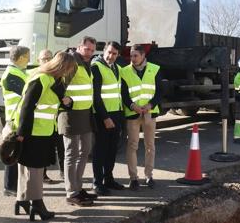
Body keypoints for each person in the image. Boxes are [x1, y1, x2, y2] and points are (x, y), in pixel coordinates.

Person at [13, 51, 76, 221]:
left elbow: (60, 102)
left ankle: (22, 200)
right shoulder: (41, 79)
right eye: (68, 69)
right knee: (35, 170)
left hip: (44, 130)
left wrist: (68, 102)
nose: (68, 73)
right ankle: (37, 204)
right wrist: (21, 134)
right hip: (33, 132)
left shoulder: (55, 81)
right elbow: (27, 107)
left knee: (27, 167)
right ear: (61, 66)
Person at [58, 36, 98, 207]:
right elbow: (57, 83)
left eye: (92, 50)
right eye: (86, 49)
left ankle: (78, 187)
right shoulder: (71, 61)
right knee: (71, 154)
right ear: (79, 47)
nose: (89, 52)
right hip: (71, 116)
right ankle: (71, 193)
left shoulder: (88, 63)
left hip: (85, 114)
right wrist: (64, 99)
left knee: (85, 151)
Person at [121, 44, 162, 191]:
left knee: (150, 146)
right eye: (131, 55)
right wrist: (133, 106)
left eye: (135, 55)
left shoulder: (155, 69)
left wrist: (150, 105)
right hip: (133, 114)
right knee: (132, 146)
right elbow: (124, 94)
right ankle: (133, 178)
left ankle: (149, 175)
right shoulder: (124, 71)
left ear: (143, 55)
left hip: (149, 113)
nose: (132, 58)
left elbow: (159, 92)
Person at [91, 41, 125, 195]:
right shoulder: (96, 67)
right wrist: (105, 117)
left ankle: (108, 179)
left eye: (114, 54)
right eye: (109, 52)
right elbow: (96, 96)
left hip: (116, 113)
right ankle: (97, 183)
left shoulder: (117, 68)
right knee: (100, 150)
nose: (110, 56)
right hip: (103, 115)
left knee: (112, 149)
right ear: (103, 51)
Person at [0, 45, 30, 197]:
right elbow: (27, 92)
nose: (30, 58)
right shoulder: (12, 74)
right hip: (14, 119)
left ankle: (12, 185)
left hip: (16, 118)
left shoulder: (19, 72)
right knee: (13, 152)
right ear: (22, 57)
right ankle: (9, 186)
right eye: (28, 56)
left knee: (17, 151)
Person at [34, 50, 65, 185]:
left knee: (61, 147)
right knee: (44, 150)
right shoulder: (36, 75)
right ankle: (43, 175)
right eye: (43, 59)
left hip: (56, 118)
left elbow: (61, 94)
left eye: (49, 58)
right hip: (41, 121)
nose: (47, 61)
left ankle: (64, 172)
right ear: (38, 61)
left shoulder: (57, 75)